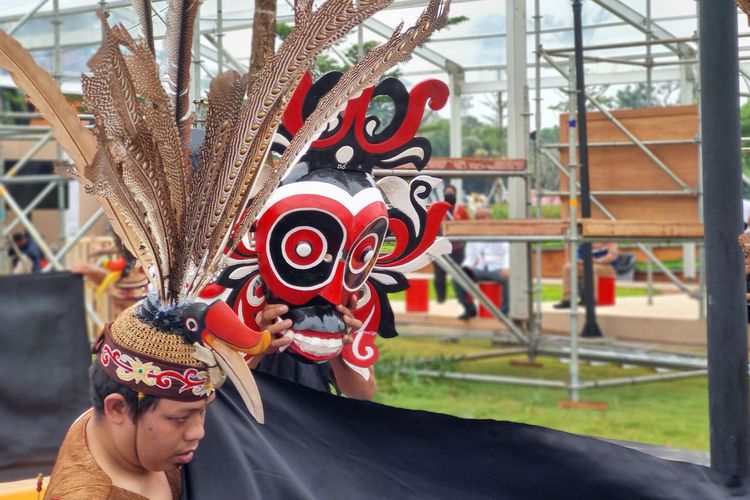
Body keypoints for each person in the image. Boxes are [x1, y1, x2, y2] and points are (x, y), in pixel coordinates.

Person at [248, 296, 376, 400]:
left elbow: (363, 393)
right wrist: (260, 345)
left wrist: (336, 340)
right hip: (249, 420)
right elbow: (229, 379)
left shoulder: (337, 309)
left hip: (312, 418)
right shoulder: (248, 301)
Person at [453, 207, 510, 319]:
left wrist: (507, 268)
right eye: (477, 218)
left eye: (483, 217)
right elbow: (471, 257)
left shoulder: (500, 232)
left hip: (498, 268)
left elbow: (508, 251)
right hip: (480, 269)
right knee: (458, 277)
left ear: (490, 218)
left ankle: (504, 313)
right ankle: (469, 309)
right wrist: (464, 269)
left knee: (510, 279)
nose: (480, 220)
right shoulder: (473, 234)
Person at [553, 242, 619, 309]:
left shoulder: (609, 241)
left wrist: (596, 261)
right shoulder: (585, 242)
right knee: (568, 268)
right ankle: (568, 299)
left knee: (591, 269)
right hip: (588, 265)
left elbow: (612, 256)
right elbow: (577, 257)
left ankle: (591, 299)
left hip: (607, 267)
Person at [434, 184, 470, 303]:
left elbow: (468, 226)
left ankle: (461, 298)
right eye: (447, 194)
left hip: (457, 248)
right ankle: (441, 298)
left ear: (455, 195)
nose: (449, 196)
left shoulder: (461, 210)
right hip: (441, 248)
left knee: (459, 274)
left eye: (451, 194)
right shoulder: (439, 209)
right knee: (440, 275)